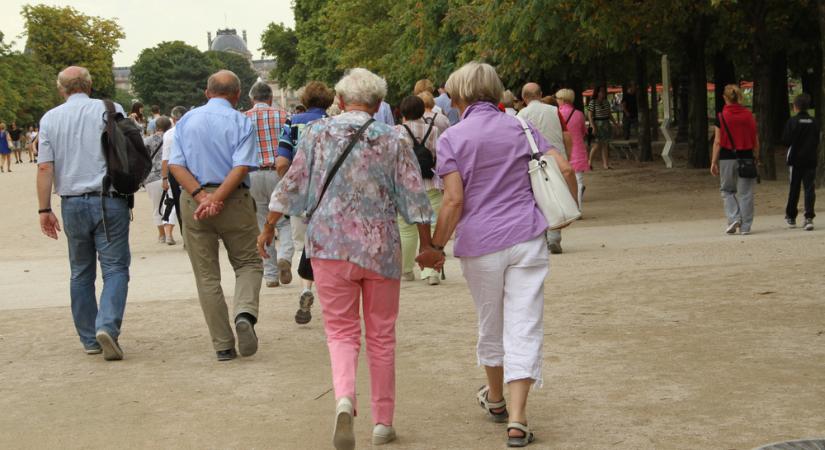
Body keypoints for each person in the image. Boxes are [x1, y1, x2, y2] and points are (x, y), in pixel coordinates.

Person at [258, 68, 438, 449]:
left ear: (340, 101)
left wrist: (270, 224)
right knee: (382, 334)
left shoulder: (317, 134)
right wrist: (427, 245)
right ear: (377, 104)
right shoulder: (392, 138)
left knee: (340, 332)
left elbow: (293, 183)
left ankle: (344, 397)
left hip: (330, 247)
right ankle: (383, 422)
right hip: (380, 248)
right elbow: (414, 197)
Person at [423, 61, 576, 448]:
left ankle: (496, 400)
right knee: (524, 323)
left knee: (491, 321)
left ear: (459, 96)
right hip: (527, 237)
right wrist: (564, 208)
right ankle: (519, 418)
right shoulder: (522, 126)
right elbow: (564, 167)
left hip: (480, 245)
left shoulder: (452, 139)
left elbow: (454, 200)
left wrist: (436, 247)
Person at [169, 70, 264, 362]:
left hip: (194, 200)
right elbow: (241, 167)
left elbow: (175, 165)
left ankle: (223, 344)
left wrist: (202, 197)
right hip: (233, 198)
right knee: (248, 262)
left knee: (206, 274)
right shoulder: (240, 121)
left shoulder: (186, 121)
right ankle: (244, 313)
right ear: (237, 96)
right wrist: (218, 198)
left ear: (207, 93)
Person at [36, 66, 129, 360]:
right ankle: (107, 326)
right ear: (89, 85)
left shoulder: (50, 118)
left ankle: (89, 338)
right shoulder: (111, 109)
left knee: (80, 272)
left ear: (61, 89)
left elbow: (45, 167)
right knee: (115, 269)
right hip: (109, 197)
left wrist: (44, 208)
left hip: (72, 201)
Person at [276, 80, 336, 324]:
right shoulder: (335, 125)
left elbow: (281, 163)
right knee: (330, 248)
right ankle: (331, 298)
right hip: (332, 194)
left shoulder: (292, 123)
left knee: (305, 245)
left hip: (303, 195)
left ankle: (306, 289)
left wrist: (291, 185)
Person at [245, 81, 293, 288]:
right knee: (284, 220)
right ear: (271, 97)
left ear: (251, 99)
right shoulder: (284, 116)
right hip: (279, 172)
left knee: (262, 222)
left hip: (254, 174)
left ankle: (271, 274)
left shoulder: (243, 119)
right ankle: (285, 256)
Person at [518, 82, 572, 254]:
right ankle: (554, 236)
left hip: (532, 161)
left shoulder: (520, 115)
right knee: (555, 197)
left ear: (523, 98)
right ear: (540, 95)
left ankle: (542, 238)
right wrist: (566, 157)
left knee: (537, 198)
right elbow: (567, 135)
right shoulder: (554, 111)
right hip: (555, 157)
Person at [396, 95, 443, 285]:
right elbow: (439, 157)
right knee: (432, 227)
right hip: (430, 183)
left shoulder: (398, 131)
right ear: (423, 111)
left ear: (403, 113)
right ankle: (431, 272)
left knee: (407, 229)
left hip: (407, 187)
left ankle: (407, 270)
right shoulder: (434, 130)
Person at [710, 84, 759, 235]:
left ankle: (734, 217)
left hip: (727, 158)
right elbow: (755, 139)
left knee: (727, 190)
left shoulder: (721, 117)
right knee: (746, 193)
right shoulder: (749, 115)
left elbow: (718, 141)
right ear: (738, 97)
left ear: (725, 98)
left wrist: (713, 161)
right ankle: (746, 227)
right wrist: (756, 156)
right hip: (746, 157)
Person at [782, 93, 818, 231]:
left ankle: (791, 216)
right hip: (810, 159)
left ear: (795, 106)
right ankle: (809, 217)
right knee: (809, 188)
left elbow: (785, 141)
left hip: (795, 160)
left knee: (794, 188)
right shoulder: (814, 121)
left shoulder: (792, 121)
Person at [143, 116, 177, 245]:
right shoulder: (173, 137)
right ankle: (169, 233)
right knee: (171, 205)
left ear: (156, 126)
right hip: (169, 175)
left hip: (151, 177)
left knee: (156, 207)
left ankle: (161, 235)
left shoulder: (147, 141)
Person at [556, 88, 589, 210]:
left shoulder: (556, 113)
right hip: (578, 150)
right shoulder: (579, 114)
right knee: (579, 181)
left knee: (563, 181)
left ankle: (567, 209)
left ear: (563, 100)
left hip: (562, 150)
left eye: (558, 98)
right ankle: (578, 208)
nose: (557, 101)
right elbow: (583, 132)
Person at [162, 106, 187, 228]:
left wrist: (164, 178)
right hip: (192, 170)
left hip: (174, 171)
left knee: (178, 203)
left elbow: (165, 159)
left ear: (173, 118)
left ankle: (184, 234)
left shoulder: (169, 134)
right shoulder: (194, 130)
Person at [587, 86, 619, 170]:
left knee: (605, 144)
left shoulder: (606, 102)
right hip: (597, 124)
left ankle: (606, 164)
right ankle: (589, 162)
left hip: (606, 124)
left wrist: (615, 123)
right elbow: (589, 115)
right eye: (601, 91)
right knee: (596, 145)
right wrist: (593, 126)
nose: (603, 93)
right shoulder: (592, 102)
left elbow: (609, 114)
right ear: (597, 93)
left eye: (604, 91)